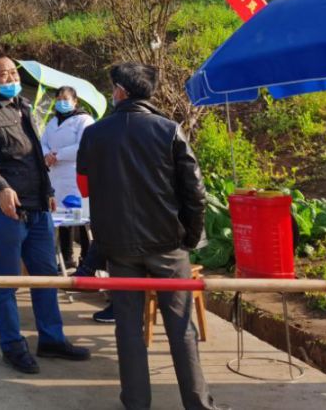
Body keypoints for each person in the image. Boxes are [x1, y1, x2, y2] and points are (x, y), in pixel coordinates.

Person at [77, 62, 225, 410]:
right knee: (181, 329)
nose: (111, 92)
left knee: (127, 329)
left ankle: (136, 403)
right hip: (167, 245)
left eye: (112, 87)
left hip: (119, 247)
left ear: (122, 92)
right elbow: (195, 192)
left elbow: (85, 185)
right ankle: (198, 403)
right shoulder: (169, 130)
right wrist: (189, 238)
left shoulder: (95, 134)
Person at [0, 53, 90, 374]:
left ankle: (51, 339)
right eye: (3, 75)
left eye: (13, 73)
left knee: (45, 278)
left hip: (38, 208)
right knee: (7, 283)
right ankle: (12, 345)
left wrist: (48, 192)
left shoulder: (22, 106)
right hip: (7, 210)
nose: (10, 78)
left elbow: (36, 153)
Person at [39, 86, 94, 270]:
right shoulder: (53, 121)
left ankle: (86, 259)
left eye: (66, 98)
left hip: (76, 175)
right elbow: (43, 142)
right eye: (59, 98)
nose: (62, 102)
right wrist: (47, 155)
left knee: (82, 218)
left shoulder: (84, 120)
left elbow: (84, 145)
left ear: (75, 101)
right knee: (62, 219)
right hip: (56, 176)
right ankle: (66, 256)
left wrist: (58, 154)